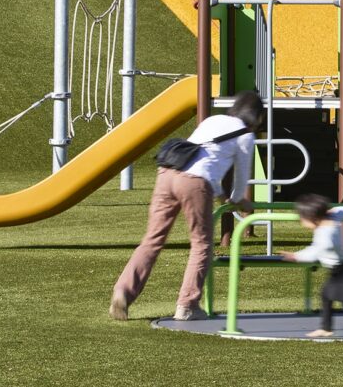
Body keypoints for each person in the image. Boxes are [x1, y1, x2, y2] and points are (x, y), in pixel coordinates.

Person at [109, 90, 264, 321]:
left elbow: (202, 157)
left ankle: (124, 290)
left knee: (153, 239)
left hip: (168, 173)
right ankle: (187, 305)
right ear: (257, 116)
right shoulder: (246, 136)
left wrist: (220, 195)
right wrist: (238, 200)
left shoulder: (213, 120)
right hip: (195, 182)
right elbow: (240, 176)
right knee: (201, 244)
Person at [282, 194, 343, 347]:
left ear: (313, 217)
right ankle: (326, 328)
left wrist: (295, 256)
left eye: (302, 219)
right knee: (325, 295)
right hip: (340, 268)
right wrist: (334, 210)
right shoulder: (333, 218)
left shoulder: (324, 234)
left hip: (342, 271)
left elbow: (314, 252)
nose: (302, 222)